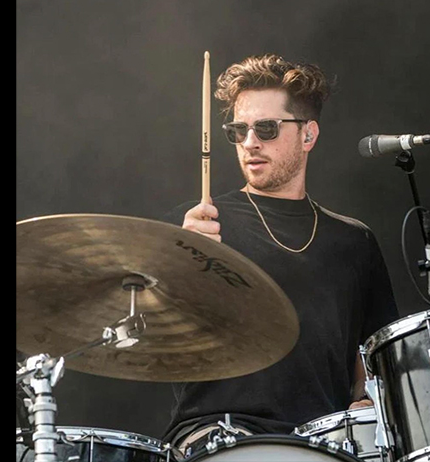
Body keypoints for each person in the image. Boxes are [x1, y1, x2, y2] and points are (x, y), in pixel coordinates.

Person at [160, 53, 399, 457]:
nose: (250, 142)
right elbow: (148, 336)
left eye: (267, 128)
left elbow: (375, 361)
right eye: (238, 130)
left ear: (308, 135)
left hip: (326, 443)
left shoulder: (353, 242)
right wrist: (178, 266)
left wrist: (368, 403)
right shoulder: (199, 225)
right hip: (217, 435)